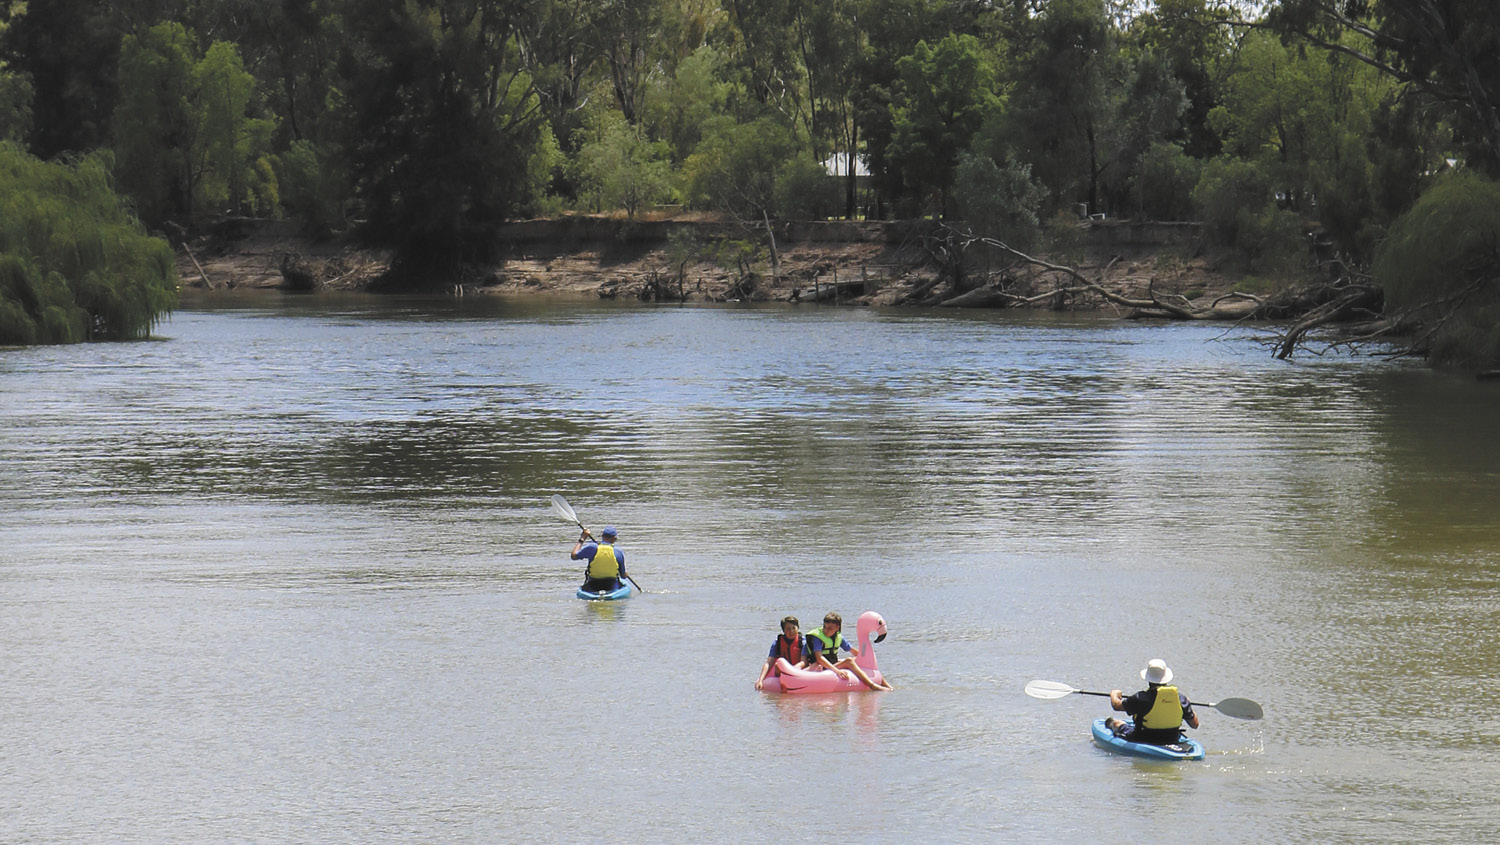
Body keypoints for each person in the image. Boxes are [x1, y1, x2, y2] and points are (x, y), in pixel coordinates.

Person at [1106, 658, 1199, 745]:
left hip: (1143, 737)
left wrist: (1114, 694)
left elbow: (1117, 705)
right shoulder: (1181, 698)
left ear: (1148, 679)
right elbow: (1195, 725)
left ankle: (1109, 723)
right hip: (1172, 738)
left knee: (1116, 723)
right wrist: (1188, 705)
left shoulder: (1140, 698)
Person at [805, 612, 893, 691]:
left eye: (830, 628)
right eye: (825, 627)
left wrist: (865, 658)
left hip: (832, 664)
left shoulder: (838, 637)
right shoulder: (817, 637)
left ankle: (886, 685)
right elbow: (819, 658)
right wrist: (837, 671)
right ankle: (872, 685)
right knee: (849, 661)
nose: (826, 630)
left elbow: (853, 651)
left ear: (837, 628)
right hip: (820, 667)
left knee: (858, 660)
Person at [754, 616, 810, 689]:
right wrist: (761, 680)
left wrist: (791, 670)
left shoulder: (803, 642)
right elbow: (769, 662)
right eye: (788, 629)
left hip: (799, 671)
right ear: (784, 631)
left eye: (794, 628)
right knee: (778, 664)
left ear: (798, 628)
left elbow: (804, 662)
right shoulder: (777, 643)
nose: (792, 631)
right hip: (782, 672)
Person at [571, 525, 629, 593]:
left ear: (602, 537)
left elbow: (573, 556)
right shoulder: (618, 552)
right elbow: (623, 576)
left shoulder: (592, 547)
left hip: (593, 586)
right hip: (611, 586)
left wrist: (582, 538)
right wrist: (626, 574)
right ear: (614, 539)